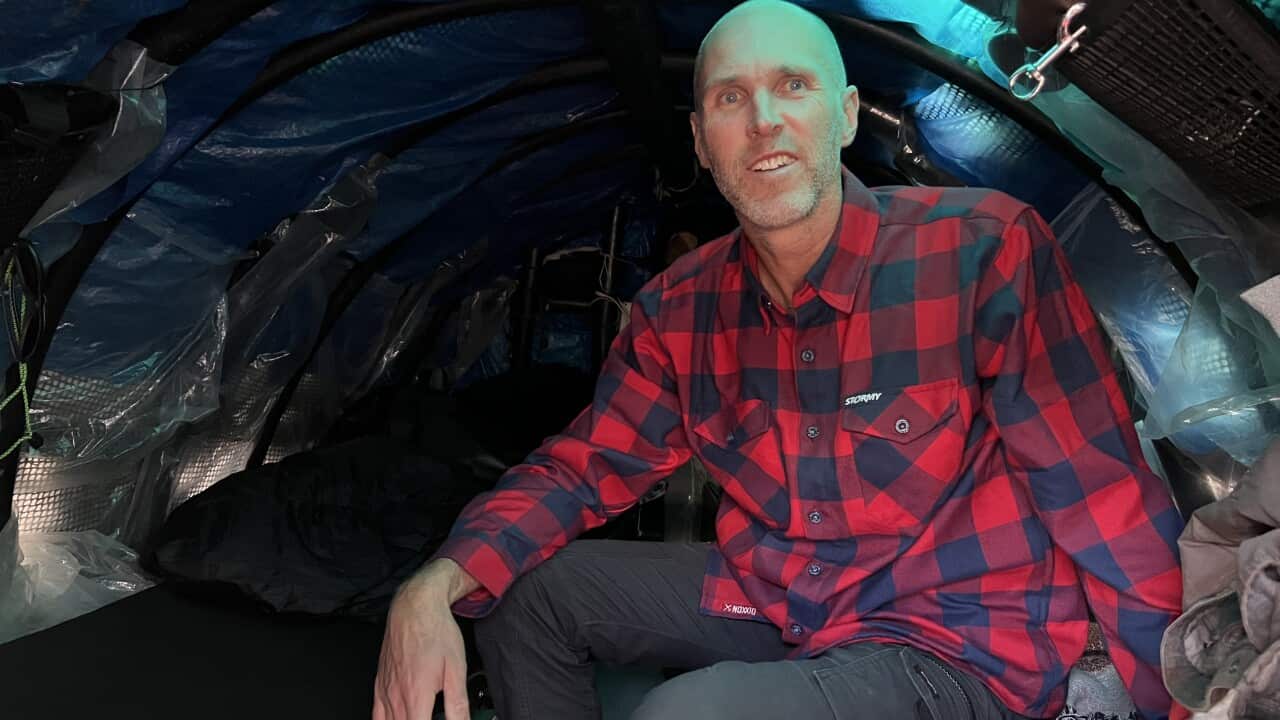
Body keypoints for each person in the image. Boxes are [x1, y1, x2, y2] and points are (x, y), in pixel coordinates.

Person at [371, 1, 1185, 719]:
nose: (763, 119)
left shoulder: (983, 251)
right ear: (701, 138)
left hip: (956, 638)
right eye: (730, 97)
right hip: (784, 599)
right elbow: (585, 467)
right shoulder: (679, 308)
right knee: (532, 595)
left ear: (847, 114)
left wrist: (1177, 700)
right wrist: (436, 579)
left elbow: (1101, 495)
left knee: (691, 713)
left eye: (793, 86)